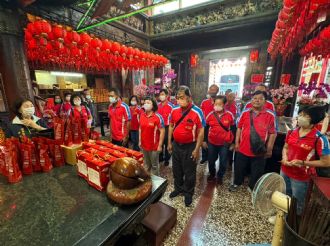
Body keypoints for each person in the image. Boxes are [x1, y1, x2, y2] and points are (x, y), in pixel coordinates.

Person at [281, 106, 330, 214]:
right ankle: (282, 217)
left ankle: (294, 223)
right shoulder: (292, 132)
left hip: (302, 176)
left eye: (305, 116)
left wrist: (303, 163)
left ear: (314, 119)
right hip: (285, 170)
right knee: (284, 196)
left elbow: (326, 162)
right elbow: (286, 147)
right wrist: (284, 158)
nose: (300, 117)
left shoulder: (320, 138)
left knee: (298, 202)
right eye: (301, 114)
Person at [230, 91, 277, 192]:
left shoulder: (270, 115)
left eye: (260, 98)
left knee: (257, 170)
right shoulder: (245, 112)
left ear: (265, 102)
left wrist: (269, 149)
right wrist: (237, 143)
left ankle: (252, 187)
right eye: (255, 98)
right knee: (239, 167)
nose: (257, 100)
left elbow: (272, 133)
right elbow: (239, 128)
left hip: (259, 149)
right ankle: (237, 183)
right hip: (243, 147)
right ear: (251, 100)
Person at [168, 86, 205, 207]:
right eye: (177, 98)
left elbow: (201, 131)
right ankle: (178, 188)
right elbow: (171, 126)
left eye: (182, 97)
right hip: (176, 145)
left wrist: (197, 149)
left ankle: (188, 192)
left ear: (189, 98)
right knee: (176, 169)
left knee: (189, 171)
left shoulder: (197, 112)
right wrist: (169, 142)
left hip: (190, 146)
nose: (179, 100)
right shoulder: (174, 110)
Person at [203, 95, 235, 185]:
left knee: (223, 161)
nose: (217, 105)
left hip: (224, 143)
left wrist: (233, 143)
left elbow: (233, 129)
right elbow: (205, 128)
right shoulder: (210, 115)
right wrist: (204, 140)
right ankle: (212, 174)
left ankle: (220, 176)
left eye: (219, 104)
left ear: (224, 104)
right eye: (216, 103)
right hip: (212, 142)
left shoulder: (229, 115)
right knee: (211, 160)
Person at [139, 97, 165, 175]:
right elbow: (140, 129)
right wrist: (139, 141)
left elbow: (162, 131)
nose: (146, 104)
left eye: (148, 103)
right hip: (144, 145)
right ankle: (148, 181)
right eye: (145, 103)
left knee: (154, 165)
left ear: (153, 106)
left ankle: (155, 182)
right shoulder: (142, 115)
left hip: (154, 146)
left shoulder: (157, 117)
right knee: (147, 165)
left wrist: (160, 146)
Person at [200, 84, 219, 164]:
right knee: (204, 140)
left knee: (213, 142)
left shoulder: (219, 101)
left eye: (214, 89)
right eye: (211, 89)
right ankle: (204, 157)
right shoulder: (204, 102)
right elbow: (201, 112)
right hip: (205, 124)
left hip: (215, 125)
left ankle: (213, 157)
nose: (212, 91)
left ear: (217, 91)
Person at [157, 89, 174, 166]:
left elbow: (173, 118)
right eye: (160, 94)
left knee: (167, 143)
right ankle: (160, 157)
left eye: (163, 94)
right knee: (159, 142)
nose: (161, 96)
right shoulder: (157, 105)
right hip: (159, 127)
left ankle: (167, 158)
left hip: (167, 127)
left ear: (167, 96)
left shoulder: (171, 106)